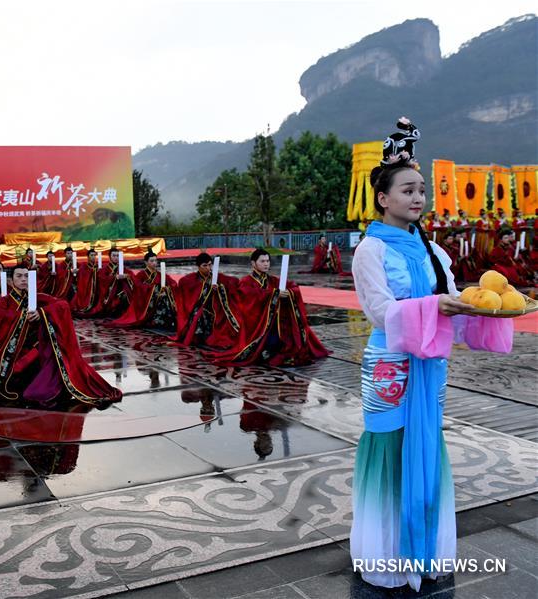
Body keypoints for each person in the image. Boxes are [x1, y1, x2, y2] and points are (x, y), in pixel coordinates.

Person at [349, 118, 512, 591]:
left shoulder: (433, 252)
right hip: (390, 366)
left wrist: (488, 305)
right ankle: (386, 556)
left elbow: (454, 301)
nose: (419, 198)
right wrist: (434, 306)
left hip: (429, 365)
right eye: (407, 190)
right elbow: (380, 312)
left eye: (422, 190)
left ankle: (424, 550)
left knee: (426, 446)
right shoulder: (371, 250)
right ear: (383, 198)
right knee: (387, 448)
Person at [0, 263, 122, 408]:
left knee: (55, 353)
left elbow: (62, 305)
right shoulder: (4, 302)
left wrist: (42, 313)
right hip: (14, 354)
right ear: (11, 281)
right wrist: (21, 316)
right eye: (19, 276)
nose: (23, 280)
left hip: (35, 351)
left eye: (26, 276)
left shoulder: (36, 298)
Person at [204, 249, 328, 366]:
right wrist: (274, 294)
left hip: (275, 323)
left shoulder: (273, 280)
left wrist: (289, 292)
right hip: (257, 328)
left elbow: (293, 286)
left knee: (289, 336)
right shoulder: (246, 281)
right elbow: (249, 299)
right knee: (269, 344)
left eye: (268, 261)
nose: (266, 264)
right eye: (262, 261)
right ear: (253, 263)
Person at [107, 251, 177, 331]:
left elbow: (173, 283)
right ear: (146, 262)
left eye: (155, 261)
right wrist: (155, 289)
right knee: (161, 296)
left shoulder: (160, 275)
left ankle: (166, 320)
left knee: (166, 296)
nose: (154, 263)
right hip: (144, 301)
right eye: (152, 261)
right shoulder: (141, 275)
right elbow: (138, 287)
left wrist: (167, 289)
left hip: (158, 297)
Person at [171, 253, 217, 346]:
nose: (208, 268)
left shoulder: (215, 278)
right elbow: (187, 293)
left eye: (210, 265)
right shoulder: (191, 279)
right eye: (205, 265)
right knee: (199, 313)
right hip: (198, 308)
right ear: (198, 266)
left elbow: (230, 284)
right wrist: (208, 287)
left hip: (215, 307)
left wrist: (219, 288)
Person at [70, 248, 101, 315]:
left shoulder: (98, 266)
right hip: (86, 288)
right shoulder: (84, 265)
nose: (93, 257)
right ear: (88, 256)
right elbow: (81, 275)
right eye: (91, 255)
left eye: (94, 255)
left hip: (96, 288)